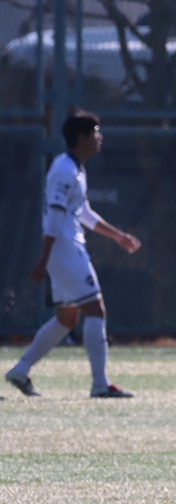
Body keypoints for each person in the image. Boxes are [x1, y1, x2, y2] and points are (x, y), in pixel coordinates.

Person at [5, 111, 140, 398]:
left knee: (67, 319)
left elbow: (84, 213)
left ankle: (20, 370)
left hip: (64, 251)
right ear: (81, 137)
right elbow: (54, 217)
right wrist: (43, 259)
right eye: (95, 132)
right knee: (96, 311)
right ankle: (100, 384)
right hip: (66, 251)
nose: (99, 137)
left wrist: (117, 235)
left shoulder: (75, 169)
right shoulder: (65, 170)